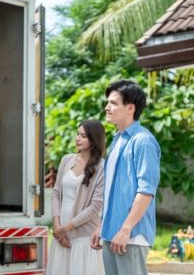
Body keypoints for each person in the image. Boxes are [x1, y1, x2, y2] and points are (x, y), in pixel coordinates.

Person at [90, 80, 161, 275]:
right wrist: (100, 226)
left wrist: (126, 229)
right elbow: (110, 191)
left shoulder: (143, 141)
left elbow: (146, 190)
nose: (107, 107)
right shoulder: (117, 141)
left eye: (113, 103)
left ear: (130, 108)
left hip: (131, 236)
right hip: (111, 233)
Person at [46, 120, 106, 275]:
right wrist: (57, 225)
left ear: (94, 140)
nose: (77, 139)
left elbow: (96, 206)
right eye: (77, 134)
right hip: (61, 236)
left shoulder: (102, 167)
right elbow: (56, 193)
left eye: (83, 136)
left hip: (83, 238)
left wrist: (65, 229)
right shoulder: (67, 160)